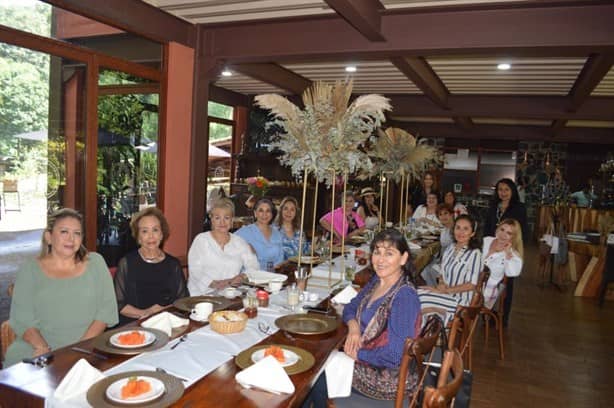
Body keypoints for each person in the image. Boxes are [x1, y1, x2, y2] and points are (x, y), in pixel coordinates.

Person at [302, 229, 421, 405]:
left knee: (314, 375)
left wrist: (358, 354)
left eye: (389, 254)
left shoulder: (404, 296)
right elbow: (351, 307)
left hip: (386, 376)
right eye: (377, 252)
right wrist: (354, 327)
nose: (380, 260)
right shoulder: (377, 281)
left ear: (403, 258)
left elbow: (395, 355)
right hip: (368, 356)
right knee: (315, 363)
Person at [5, 208, 118, 367]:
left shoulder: (96, 263)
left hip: (87, 348)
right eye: (64, 231)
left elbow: (106, 313)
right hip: (35, 350)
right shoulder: (30, 269)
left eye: (77, 233)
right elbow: (23, 319)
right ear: (49, 237)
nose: (71, 238)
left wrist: (78, 350)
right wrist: (42, 348)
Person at [113, 207, 189, 325]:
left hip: (166, 323)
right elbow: (118, 304)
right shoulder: (127, 263)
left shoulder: (173, 264)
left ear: (162, 234)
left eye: (155, 230)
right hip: (135, 325)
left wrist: (163, 313)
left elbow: (183, 301)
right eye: (144, 231)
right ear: (138, 236)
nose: (151, 236)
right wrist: (145, 313)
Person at [418, 214, 482, 324]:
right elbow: (442, 273)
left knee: (421, 299)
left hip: (461, 301)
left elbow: (472, 285)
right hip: (446, 294)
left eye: (465, 229)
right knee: (416, 293)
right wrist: (441, 283)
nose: (461, 232)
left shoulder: (475, 253)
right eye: (458, 228)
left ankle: (430, 334)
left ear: (473, 233)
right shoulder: (450, 248)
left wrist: (445, 290)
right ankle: (430, 334)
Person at [188, 198, 260, 294]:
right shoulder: (201, 240)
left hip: (230, 294)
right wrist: (217, 284)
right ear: (211, 219)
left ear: (232, 220)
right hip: (202, 295)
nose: (222, 222)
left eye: (226, 218)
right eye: (217, 218)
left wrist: (242, 277)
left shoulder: (239, 242)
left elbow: (254, 265)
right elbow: (195, 270)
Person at [483, 178, 527, 327]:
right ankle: (485, 314)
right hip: (492, 243)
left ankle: (502, 318)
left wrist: (509, 249)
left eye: (506, 190)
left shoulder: (519, 208)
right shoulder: (493, 206)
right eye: (500, 190)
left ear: (512, 191)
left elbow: (521, 231)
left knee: (506, 284)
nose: (503, 193)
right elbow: (488, 225)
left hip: (509, 247)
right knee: (486, 277)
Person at [482, 219, 524, 309]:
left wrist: (508, 254)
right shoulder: (486, 240)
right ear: (498, 229)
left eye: (509, 233)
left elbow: (513, 273)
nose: (503, 235)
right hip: (471, 281)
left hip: (487, 291)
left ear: (514, 237)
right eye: (502, 230)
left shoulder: (513, 255)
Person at [235, 197, 285, 269]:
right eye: (261, 210)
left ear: (272, 214)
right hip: (251, 276)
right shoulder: (245, 232)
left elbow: (280, 259)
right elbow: (229, 242)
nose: (264, 214)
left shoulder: (277, 234)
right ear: (255, 213)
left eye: (268, 211)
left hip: (273, 276)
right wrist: (244, 248)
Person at [420, 204, 455, 286]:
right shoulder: (445, 229)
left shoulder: (455, 230)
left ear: (452, 214)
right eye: (440, 215)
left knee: (427, 269)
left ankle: (435, 291)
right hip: (442, 259)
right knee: (423, 267)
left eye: (446, 213)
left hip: (450, 262)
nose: (443, 217)